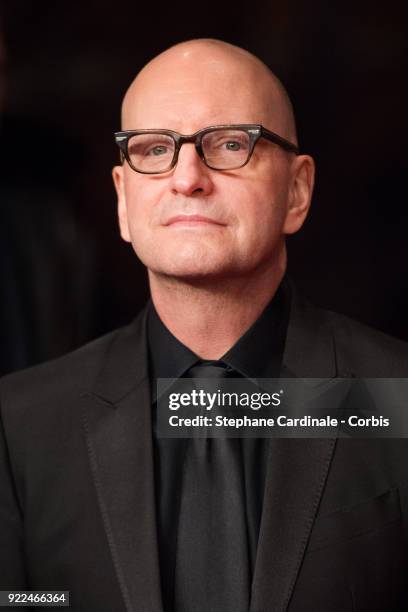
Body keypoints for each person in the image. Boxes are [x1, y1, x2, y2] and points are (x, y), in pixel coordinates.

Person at [1, 38, 408, 612]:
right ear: (123, 200)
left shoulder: (398, 397)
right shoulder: (19, 426)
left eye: (230, 143)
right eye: (152, 149)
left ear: (297, 190)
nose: (187, 177)